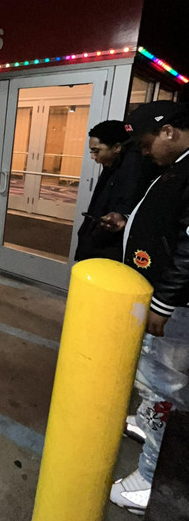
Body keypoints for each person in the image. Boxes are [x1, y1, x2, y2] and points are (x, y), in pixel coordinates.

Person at [109, 101, 189, 515]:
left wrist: (163, 302)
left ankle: (151, 478)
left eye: (145, 143)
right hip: (169, 303)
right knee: (155, 382)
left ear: (169, 132)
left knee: (163, 388)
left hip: (175, 310)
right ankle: (148, 422)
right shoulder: (177, 168)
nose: (143, 153)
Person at [75, 120, 141, 261]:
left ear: (117, 147)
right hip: (97, 242)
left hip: (108, 248)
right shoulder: (113, 165)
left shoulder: (132, 168)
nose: (93, 156)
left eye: (96, 151)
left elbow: (125, 205)